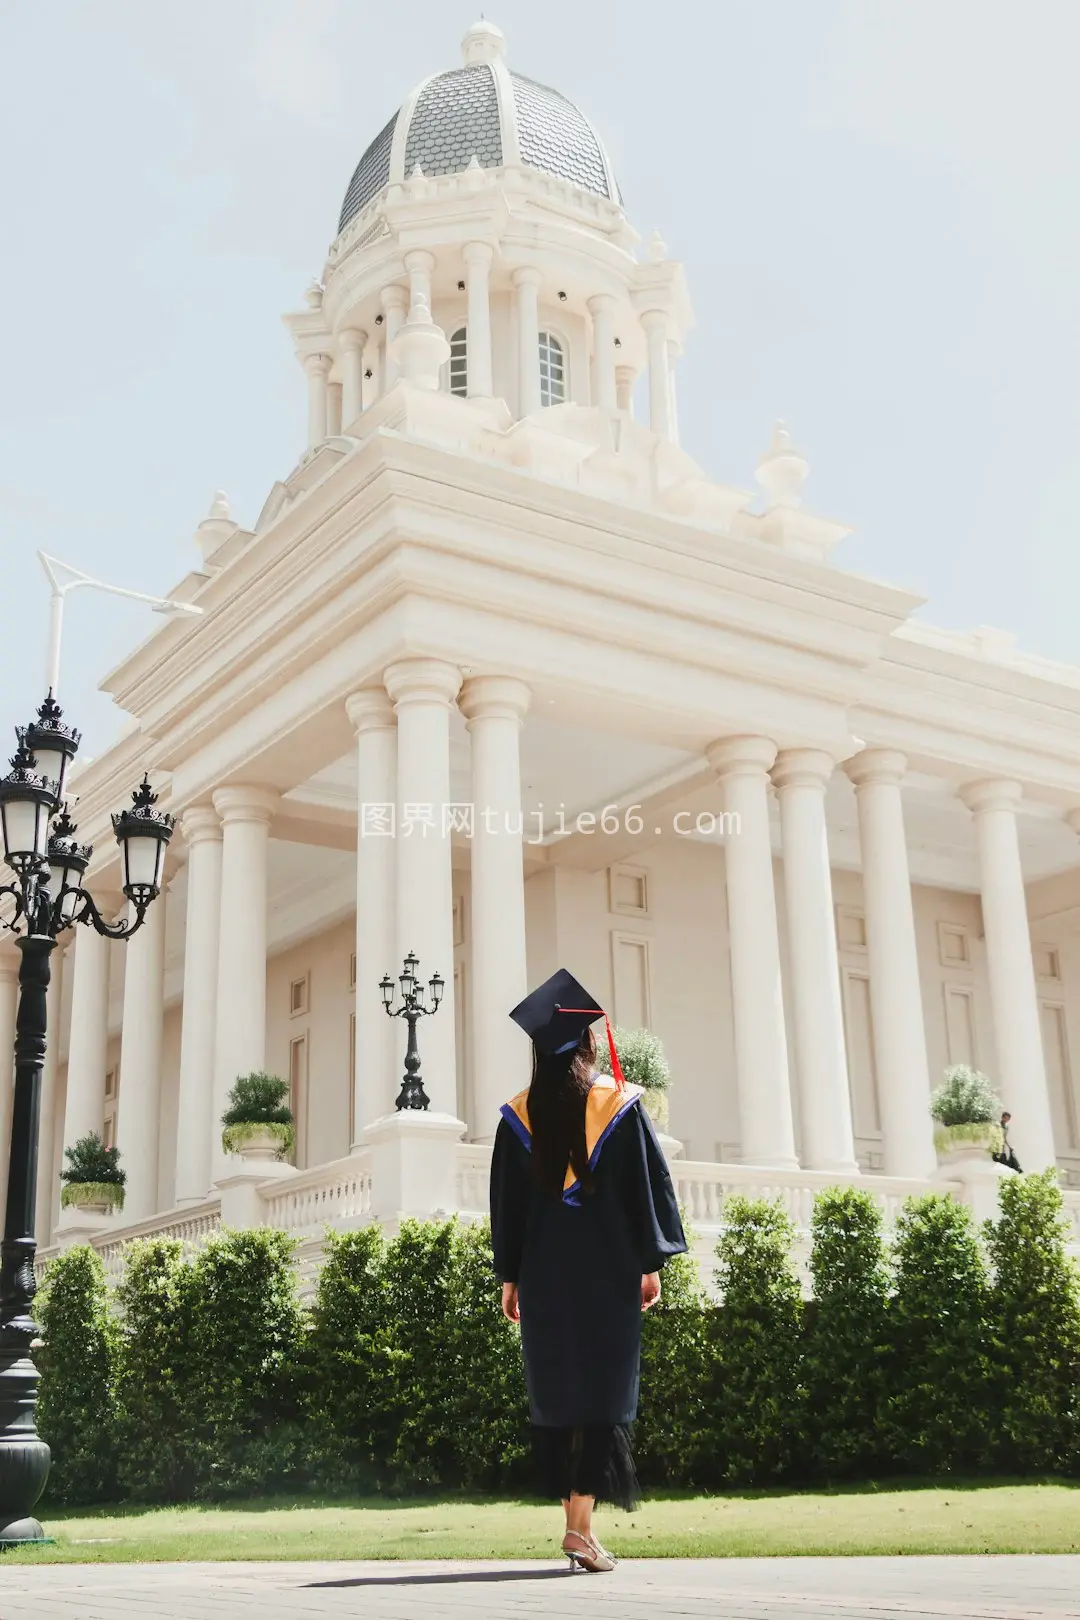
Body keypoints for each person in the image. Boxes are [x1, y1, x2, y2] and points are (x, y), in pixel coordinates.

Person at [489, 968, 688, 1574]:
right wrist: (649, 1265)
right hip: (607, 1271)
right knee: (603, 1392)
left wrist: (511, 1276)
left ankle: (579, 1528)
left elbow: (507, 1206)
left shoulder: (517, 1118)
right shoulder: (620, 1108)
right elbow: (643, 1192)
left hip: (547, 1276)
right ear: (586, 1044)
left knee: (560, 1392)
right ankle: (580, 1527)